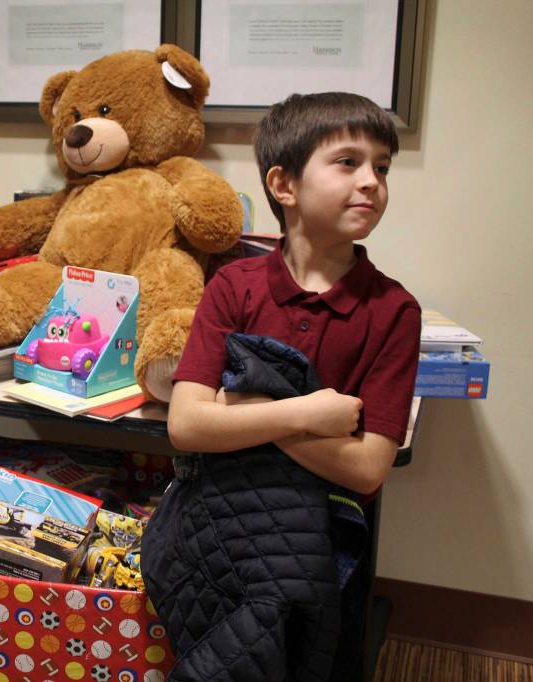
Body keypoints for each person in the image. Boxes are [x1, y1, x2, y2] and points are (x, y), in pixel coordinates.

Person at [155, 91, 421, 679]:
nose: (372, 181)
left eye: (382, 166)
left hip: (326, 538)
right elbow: (187, 425)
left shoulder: (394, 309)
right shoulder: (234, 285)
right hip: (223, 523)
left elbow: (367, 467)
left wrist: (250, 410)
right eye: (348, 162)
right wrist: (309, 415)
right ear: (284, 185)